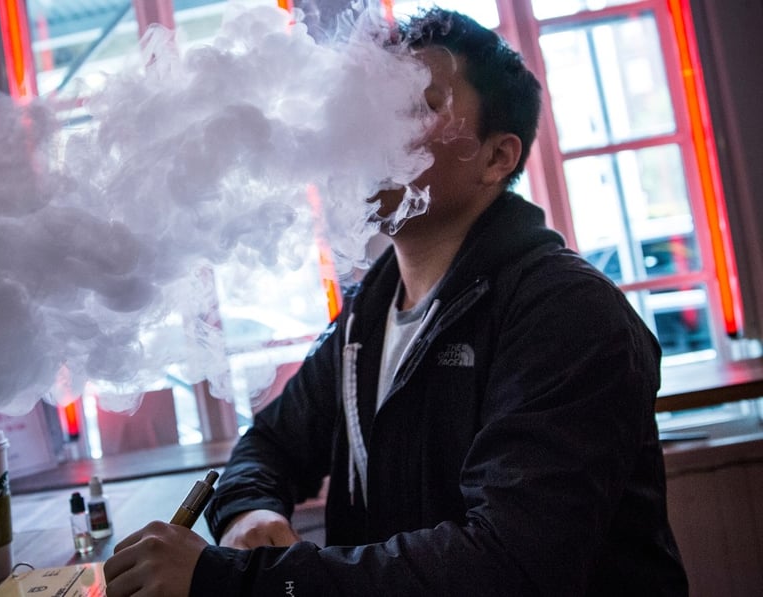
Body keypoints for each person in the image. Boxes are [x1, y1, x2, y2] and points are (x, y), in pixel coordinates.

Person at [103, 8, 689, 596]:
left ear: (497, 158)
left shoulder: (565, 315)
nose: (374, 128)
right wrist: (248, 512)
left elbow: (507, 568)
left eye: (417, 104)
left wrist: (235, 583)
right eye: (375, 102)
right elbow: (272, 443)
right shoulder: (370, 313)